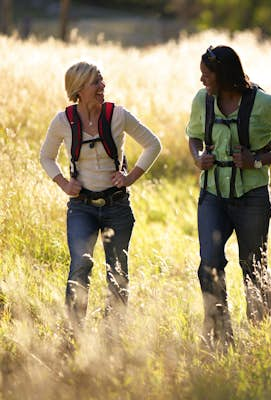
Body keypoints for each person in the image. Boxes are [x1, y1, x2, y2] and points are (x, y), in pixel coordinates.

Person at [186, 45, 271, 349]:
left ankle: (260, 338)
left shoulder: (264, 104)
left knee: (253, 266)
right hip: (212, 193)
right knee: (208, 264)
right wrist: (198, 156)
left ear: (224, 75)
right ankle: (219, 336)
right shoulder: (202, 99)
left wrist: (257, 160)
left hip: (251, 196)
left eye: (207, 75)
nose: (202, 81)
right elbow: (193, 136)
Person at [40, 61, 162, 335]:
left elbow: (153, 144)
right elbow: (45, 157)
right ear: (79, 89)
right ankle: (72, 333)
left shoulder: (117, 115)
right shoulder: (63, 121)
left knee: (117, 271)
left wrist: (130, 178)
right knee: (81, 264)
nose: (103, 86)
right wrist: (62, 182)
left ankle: (113, 335)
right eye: (96, 82)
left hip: (117, 207)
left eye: (102, 80)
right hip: (81, 207)